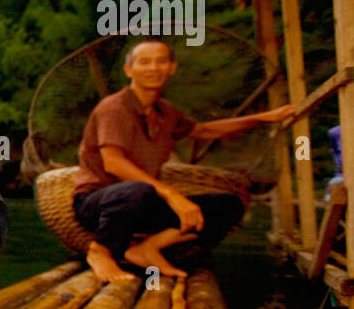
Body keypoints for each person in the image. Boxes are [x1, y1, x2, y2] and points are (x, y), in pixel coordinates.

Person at [73, 39, 293, 282]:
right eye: (144, 62)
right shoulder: (114, 107)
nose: (153, 68)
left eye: (161, 61)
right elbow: (113, 163)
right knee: (137, 190)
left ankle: (148, 248)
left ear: (172, 68)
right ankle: (101, 252)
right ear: (129, 70)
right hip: (99, 202)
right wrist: (172, 195)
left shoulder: (166, 112)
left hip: (143, 202)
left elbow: (204, 131)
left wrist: (265, 117)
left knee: (228, 204)